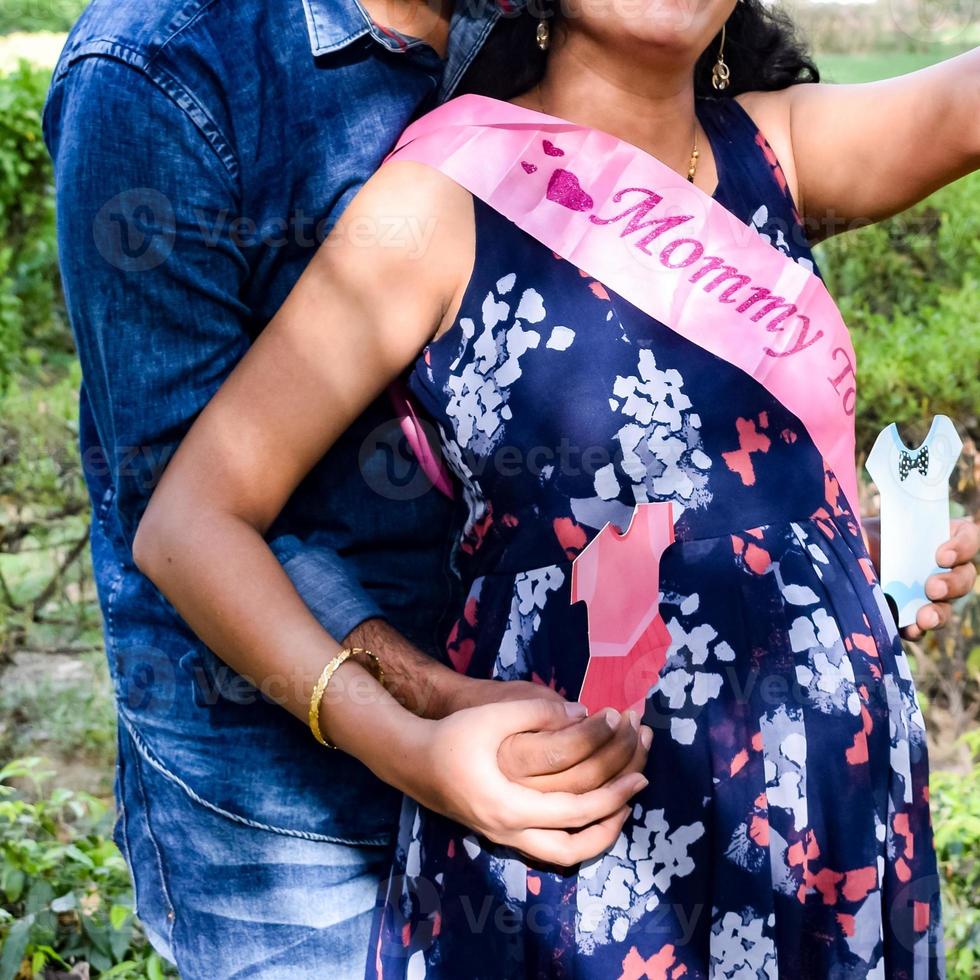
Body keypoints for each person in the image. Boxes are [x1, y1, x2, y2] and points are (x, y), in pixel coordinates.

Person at [132, 2, 980, 979]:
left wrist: (819, 546)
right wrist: (409, 748)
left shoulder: (774, 145)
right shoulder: (442, 195)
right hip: (584, 840)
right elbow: (189, 520)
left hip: (830, 809)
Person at [43, 1, 654, 976]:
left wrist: (807, 549)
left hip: (521, 736)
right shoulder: (155, 71)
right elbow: (185, 509)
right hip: (284, 822)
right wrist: (427, 721)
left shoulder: (536, 23)